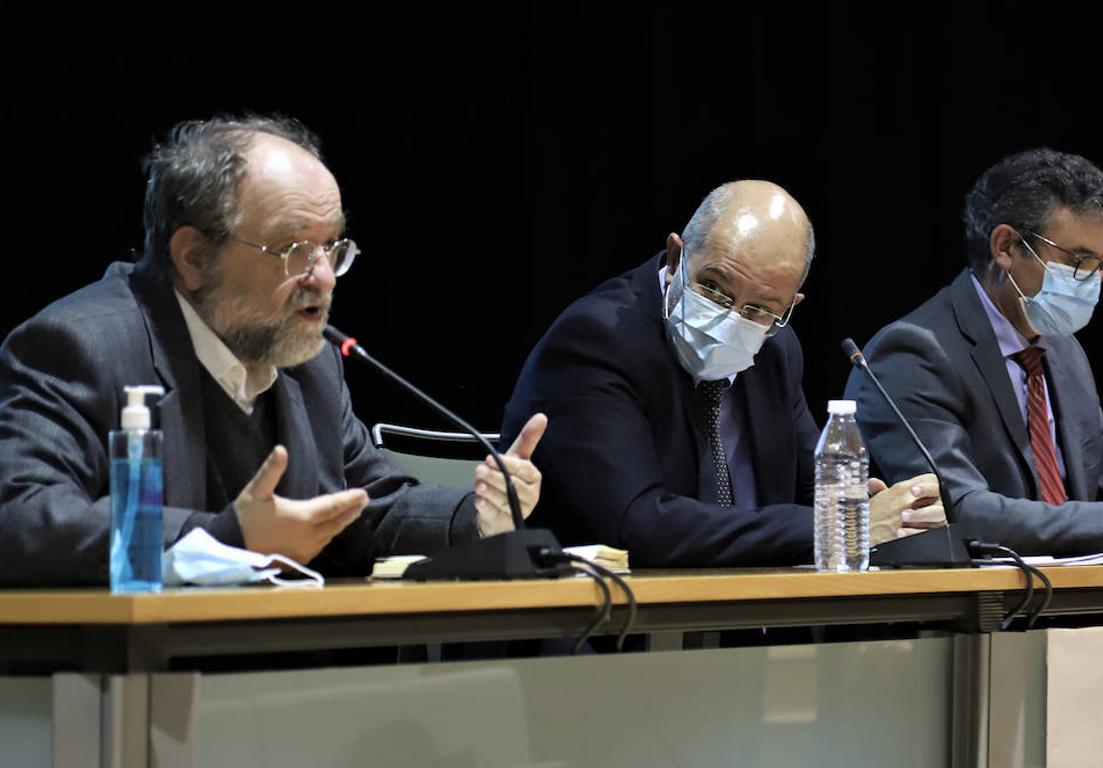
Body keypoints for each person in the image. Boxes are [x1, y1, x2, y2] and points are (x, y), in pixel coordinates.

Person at [0, 115, 546, 586]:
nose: (325, 278)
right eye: (292, 249)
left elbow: (361, 505)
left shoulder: (308, 361)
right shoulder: (82, 346)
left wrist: (478, 514)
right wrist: (223, 538)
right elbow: (19, 516)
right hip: (125, 684)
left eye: (332, 247)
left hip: (278, 678)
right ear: (192, 257)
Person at [499, 180, 943, 567]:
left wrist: (870, 507)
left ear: (789, 308)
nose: (731, 318)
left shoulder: (774, 349)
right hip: (598, 637)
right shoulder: (597, 340)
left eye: (760, 308)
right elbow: (639, 526)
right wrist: (843, 525)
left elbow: (811, 490)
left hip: (739, 629)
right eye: (713, 287)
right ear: (675, 257)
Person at [846, 148, 1103, 555]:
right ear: (1005, 246)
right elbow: (958, 512)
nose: (1092, 281)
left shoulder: (1062, 351)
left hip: (1079, 604)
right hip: (976, 611)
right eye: (1077, 260)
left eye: (1102, 263)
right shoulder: (913, 354)